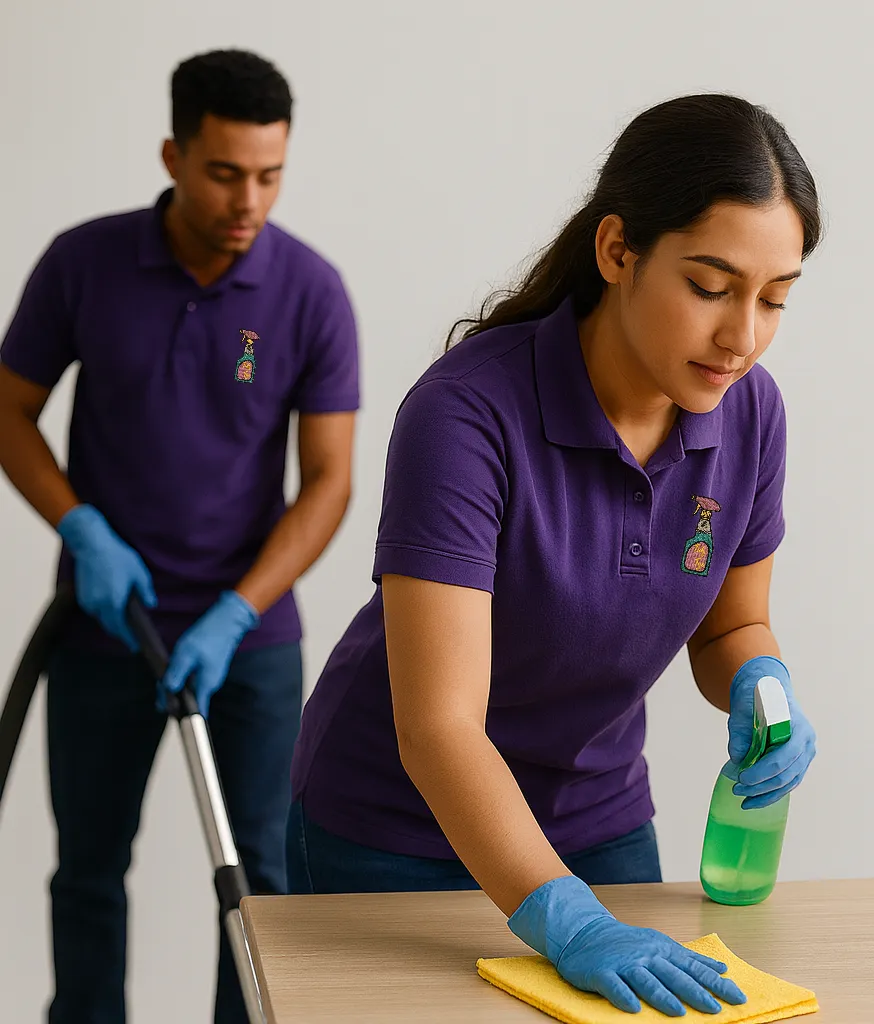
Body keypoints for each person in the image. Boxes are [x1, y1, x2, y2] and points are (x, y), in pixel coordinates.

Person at [287, 92, 820, 1017]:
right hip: (396, 832)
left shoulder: (752, 413)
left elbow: (733, 619)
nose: (743, 336)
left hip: (598, 819)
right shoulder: (466, 417)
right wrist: (568, 920)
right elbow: (440, 729)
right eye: (710, 286)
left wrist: (761, 682)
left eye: (774, 298)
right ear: (618, 251)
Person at [0, 49, 359, 1024]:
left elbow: (329, 483)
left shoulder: (311, 294)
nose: (250, 200)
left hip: (246, 643)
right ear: (173, 153)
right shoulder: (83, 264)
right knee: (87, 873)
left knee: (262, 892)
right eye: (225, 173)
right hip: (102, 626)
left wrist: (238, 611)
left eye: (271, 175)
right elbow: (8, 409)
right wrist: (80, 526)